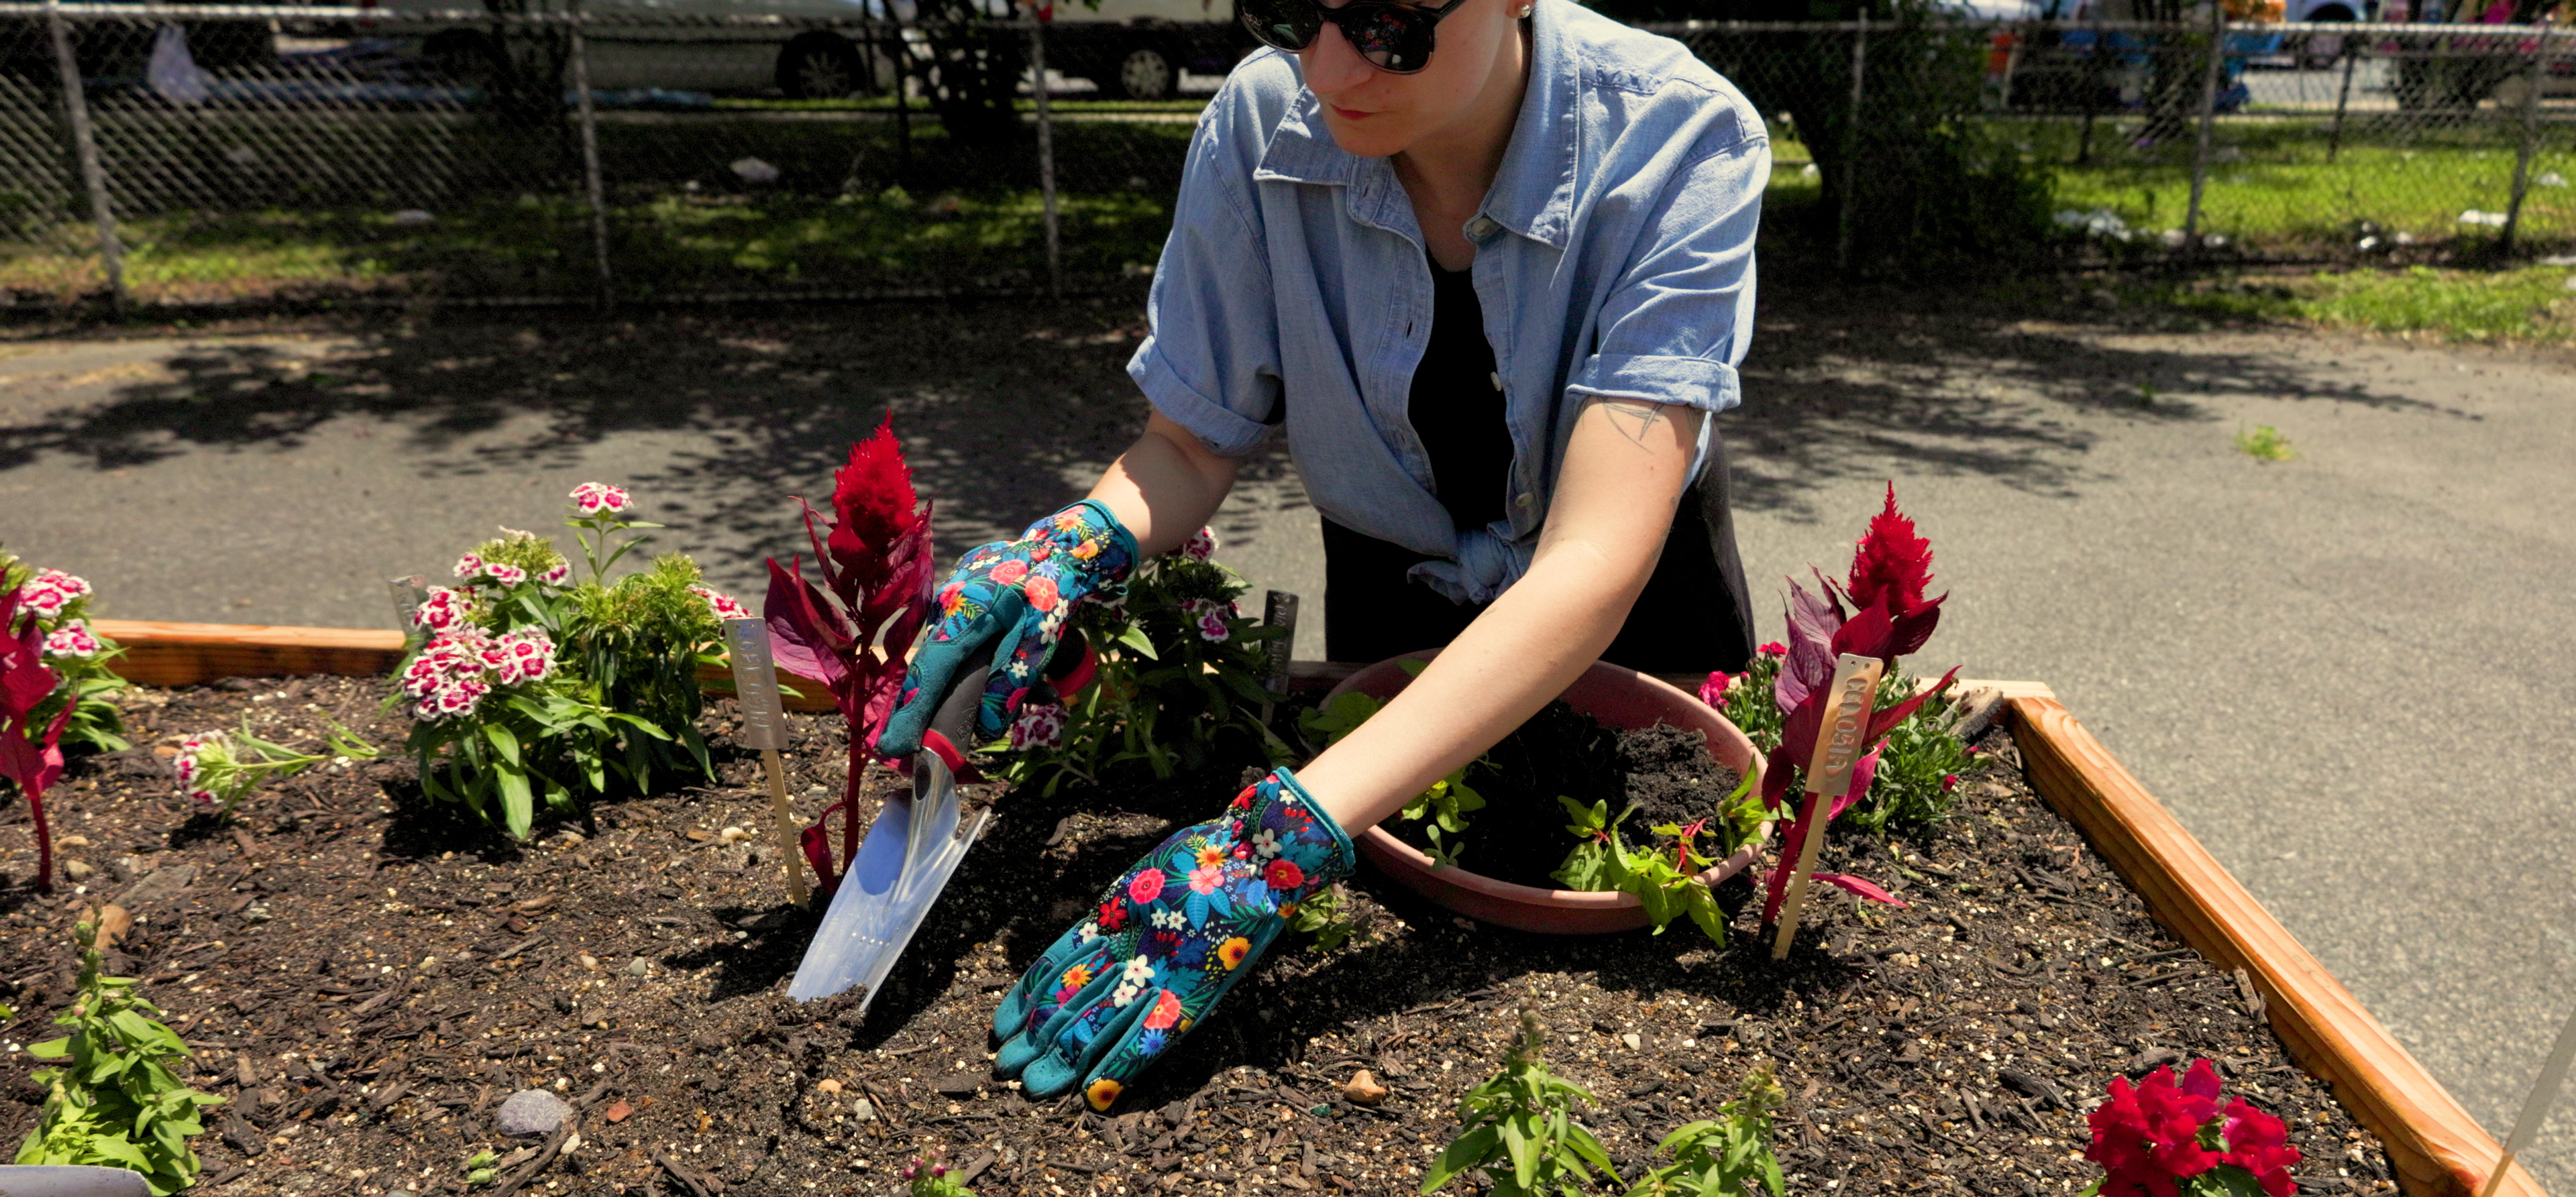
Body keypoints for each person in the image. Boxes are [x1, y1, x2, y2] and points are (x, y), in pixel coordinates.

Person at [875, 0, 1770, 1111]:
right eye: (1294, 9)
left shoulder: (1681, 139)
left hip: (1635, 632)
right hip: (1397, 591)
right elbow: (1191, 442)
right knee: (1411, 865)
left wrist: (1274, 839)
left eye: (1390, 22)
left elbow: (1593, 557)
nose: (1330, 64)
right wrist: (1080, 541)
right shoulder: (1261, 123)